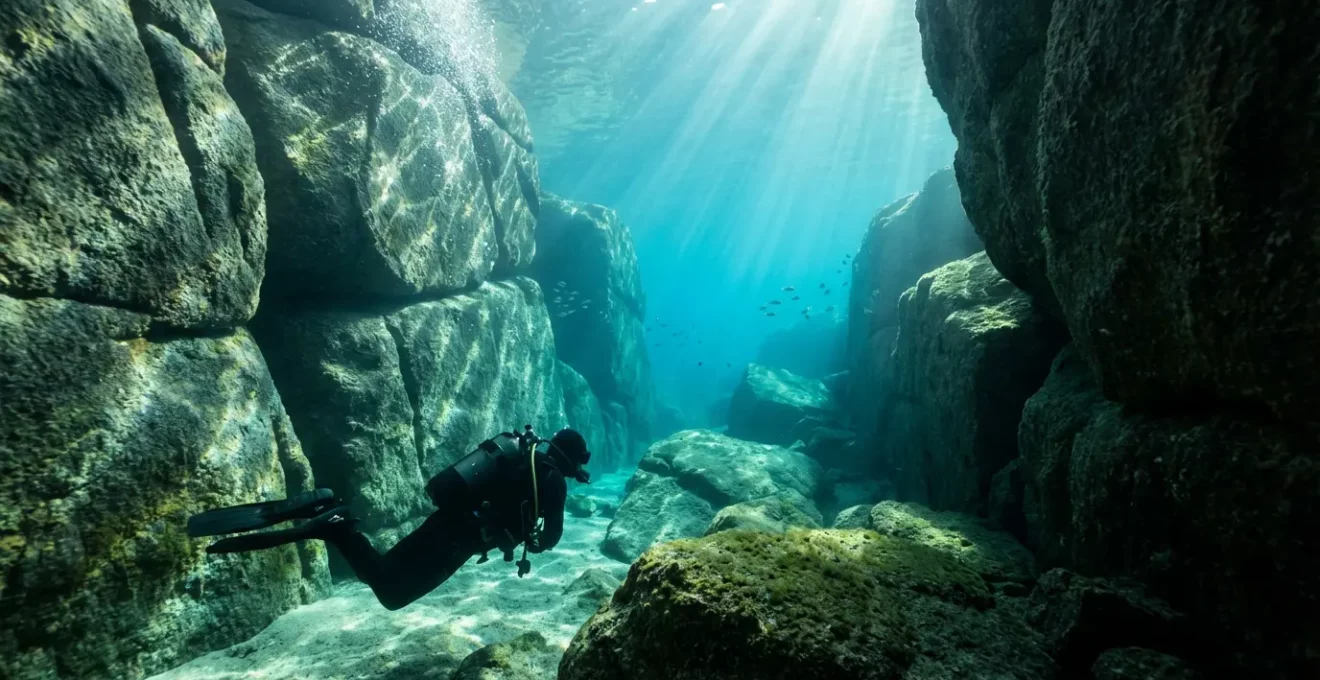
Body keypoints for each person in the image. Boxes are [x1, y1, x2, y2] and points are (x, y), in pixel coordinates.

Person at [187, 426, 591, 611]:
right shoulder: (552, 481)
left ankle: (327, 514)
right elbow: (551, 536)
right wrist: (535, 541)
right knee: (392, 594)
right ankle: (334, 527)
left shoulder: (521, 454)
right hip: (461, 539)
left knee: (382, 574)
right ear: (571, 460)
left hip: (447, 521)